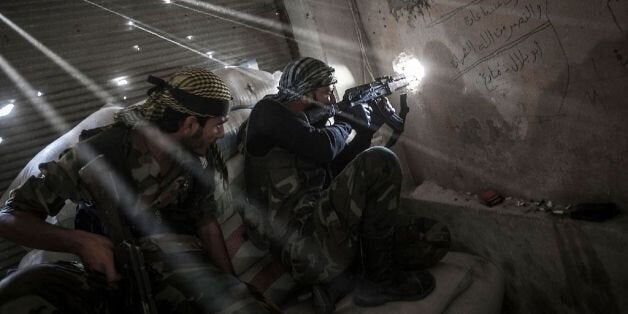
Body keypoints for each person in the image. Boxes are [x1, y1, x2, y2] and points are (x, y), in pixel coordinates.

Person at [0, 68, 279, 313]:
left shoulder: (201, 158)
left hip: (179, 271)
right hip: (109, 277)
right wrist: (80, 242)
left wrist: (231, 283)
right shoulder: (100, 153)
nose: (221, 132)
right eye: (217, 125)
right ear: (189, 124)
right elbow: (9, 217)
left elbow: (206, 222)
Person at [243, 57, 437, 312]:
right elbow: (322, 148)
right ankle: (378, 282)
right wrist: (346, 121)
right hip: (302, 246)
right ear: (305, 92)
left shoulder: (304, 128)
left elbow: (335, 168)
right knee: (382, 160)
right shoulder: (267, 113)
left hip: (327, 229)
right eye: (326, 92)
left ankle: (350, 275)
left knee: (434, 237)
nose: (333, 99)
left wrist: (365, 131)